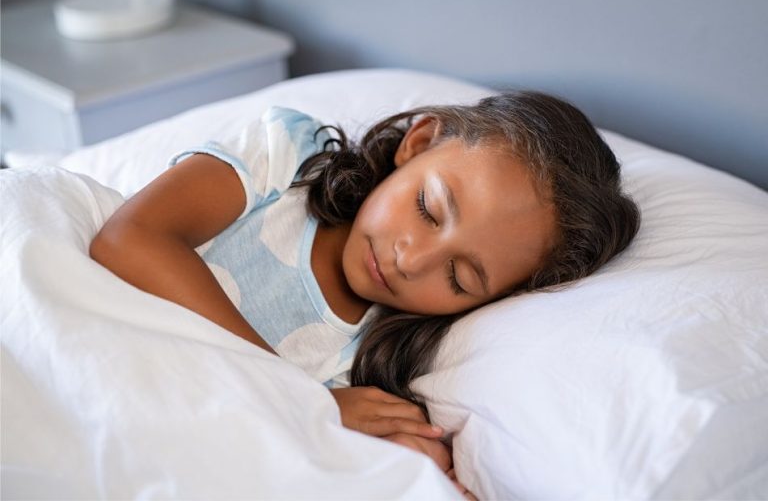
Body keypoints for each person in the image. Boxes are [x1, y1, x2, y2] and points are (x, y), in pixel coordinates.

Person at [90, 92, 640, 494]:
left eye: (460, 279)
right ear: (419, 142)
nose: (411, 260)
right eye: (428, 208)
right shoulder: (287, 158)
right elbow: (127, 240)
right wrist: (298, 397)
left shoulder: (368, 366)